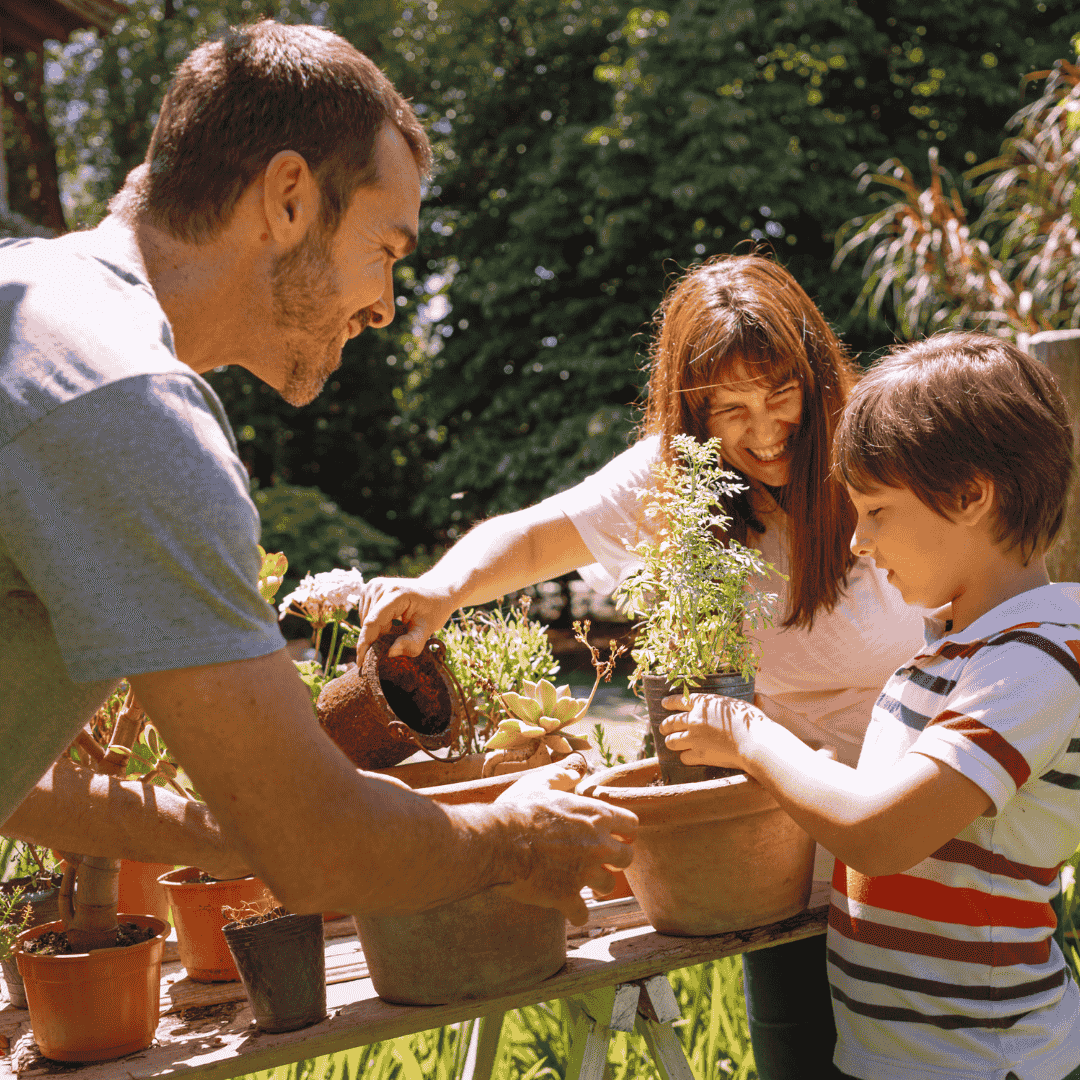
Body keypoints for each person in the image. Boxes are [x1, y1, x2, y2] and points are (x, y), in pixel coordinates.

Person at [0, 19, 636, 926]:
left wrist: (242, 828)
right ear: (289, 197)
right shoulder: (128, 404)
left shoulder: (30, 303)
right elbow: (323, 857)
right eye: (385, 249)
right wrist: (517, 838)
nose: (383, 307)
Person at [357, 254, 928, 1076]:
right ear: (693, 413)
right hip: (788, 858)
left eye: (781, 397)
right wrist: (442, 588)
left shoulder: (877, 448)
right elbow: (531, 533)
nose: (764, 432)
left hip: (924, 844)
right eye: (731, 409)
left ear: (817, 375)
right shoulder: (675, 478)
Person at [662, 331, 1080, 1080]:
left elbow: (881, 834)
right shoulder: (948, 651)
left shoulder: (1039, 659)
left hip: (982, 1062)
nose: (857, 541)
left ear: (970, 496)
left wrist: (755, 739)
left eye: (878, 511)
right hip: (900, 1058)